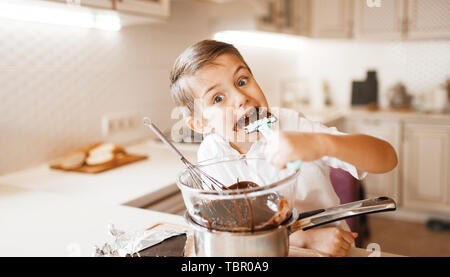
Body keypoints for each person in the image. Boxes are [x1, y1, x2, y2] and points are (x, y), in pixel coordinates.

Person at [169, 40, 398, 256]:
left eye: (242, 81)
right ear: (200, 124)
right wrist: (304, 239)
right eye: (218, 98)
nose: (241, 98)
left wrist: (321, 143)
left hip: (329, 249)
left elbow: (387, 158)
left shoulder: (294, 126)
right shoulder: (211, 155)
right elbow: (233, 232)